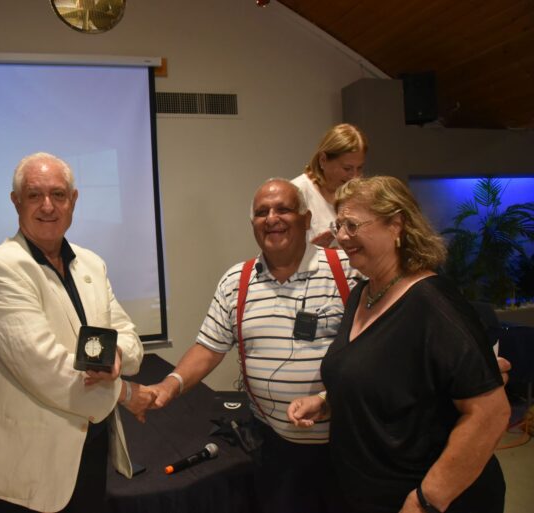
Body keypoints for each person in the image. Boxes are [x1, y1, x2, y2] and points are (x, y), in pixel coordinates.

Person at [288, 176, 510, 513]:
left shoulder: (432, 303)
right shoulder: (363, 294)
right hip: (366, 494)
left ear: (396, 225)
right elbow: (391, 384)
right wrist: (327, 401)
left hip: (427, 499)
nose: (342, 236)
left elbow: (490, 414)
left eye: (352, 224)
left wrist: (425, 500)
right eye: (338, 225)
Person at [0, 152, 156, 513]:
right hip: (26, 465)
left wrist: (116, 355)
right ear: (16, 201)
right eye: (34, 195)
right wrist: (125, 392)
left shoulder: (92, 263)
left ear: (73, 200)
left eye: (58, 195)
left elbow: (128, 337)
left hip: (89, 449)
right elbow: (45, 367)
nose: (48, 206)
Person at [148, 178, 358, 513]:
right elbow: (208, 348)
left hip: (347, 445)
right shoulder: (236, 281)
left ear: (306, 219)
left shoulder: (348, 271)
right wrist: (170, 385)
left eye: (283, 209)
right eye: (262, 212)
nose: (271, 218)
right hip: (275, 448)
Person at [292, 123, 368, 247]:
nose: (355, 177)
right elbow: (283, 253)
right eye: (347, 168)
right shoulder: (297, 192)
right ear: (323, 160)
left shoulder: (358, 195)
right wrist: (313, 249)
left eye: (359, 168)